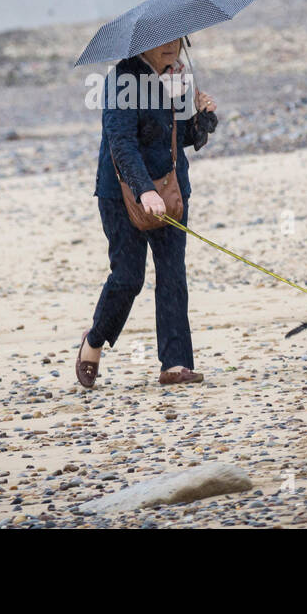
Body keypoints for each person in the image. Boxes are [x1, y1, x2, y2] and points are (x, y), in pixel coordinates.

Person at [77, 37, 217, 388]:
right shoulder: (121, 80)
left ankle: (175, 364)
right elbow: (120, 143)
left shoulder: (179, 78)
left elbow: (180, 136)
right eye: (162, 41)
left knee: (172, 273)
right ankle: (94, 341)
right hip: (121, 192)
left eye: (177, 39)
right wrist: (144, 190)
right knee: (129, 277)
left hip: (171, 192)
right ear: (143, 45)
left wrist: (202, 118)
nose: (171, 46)